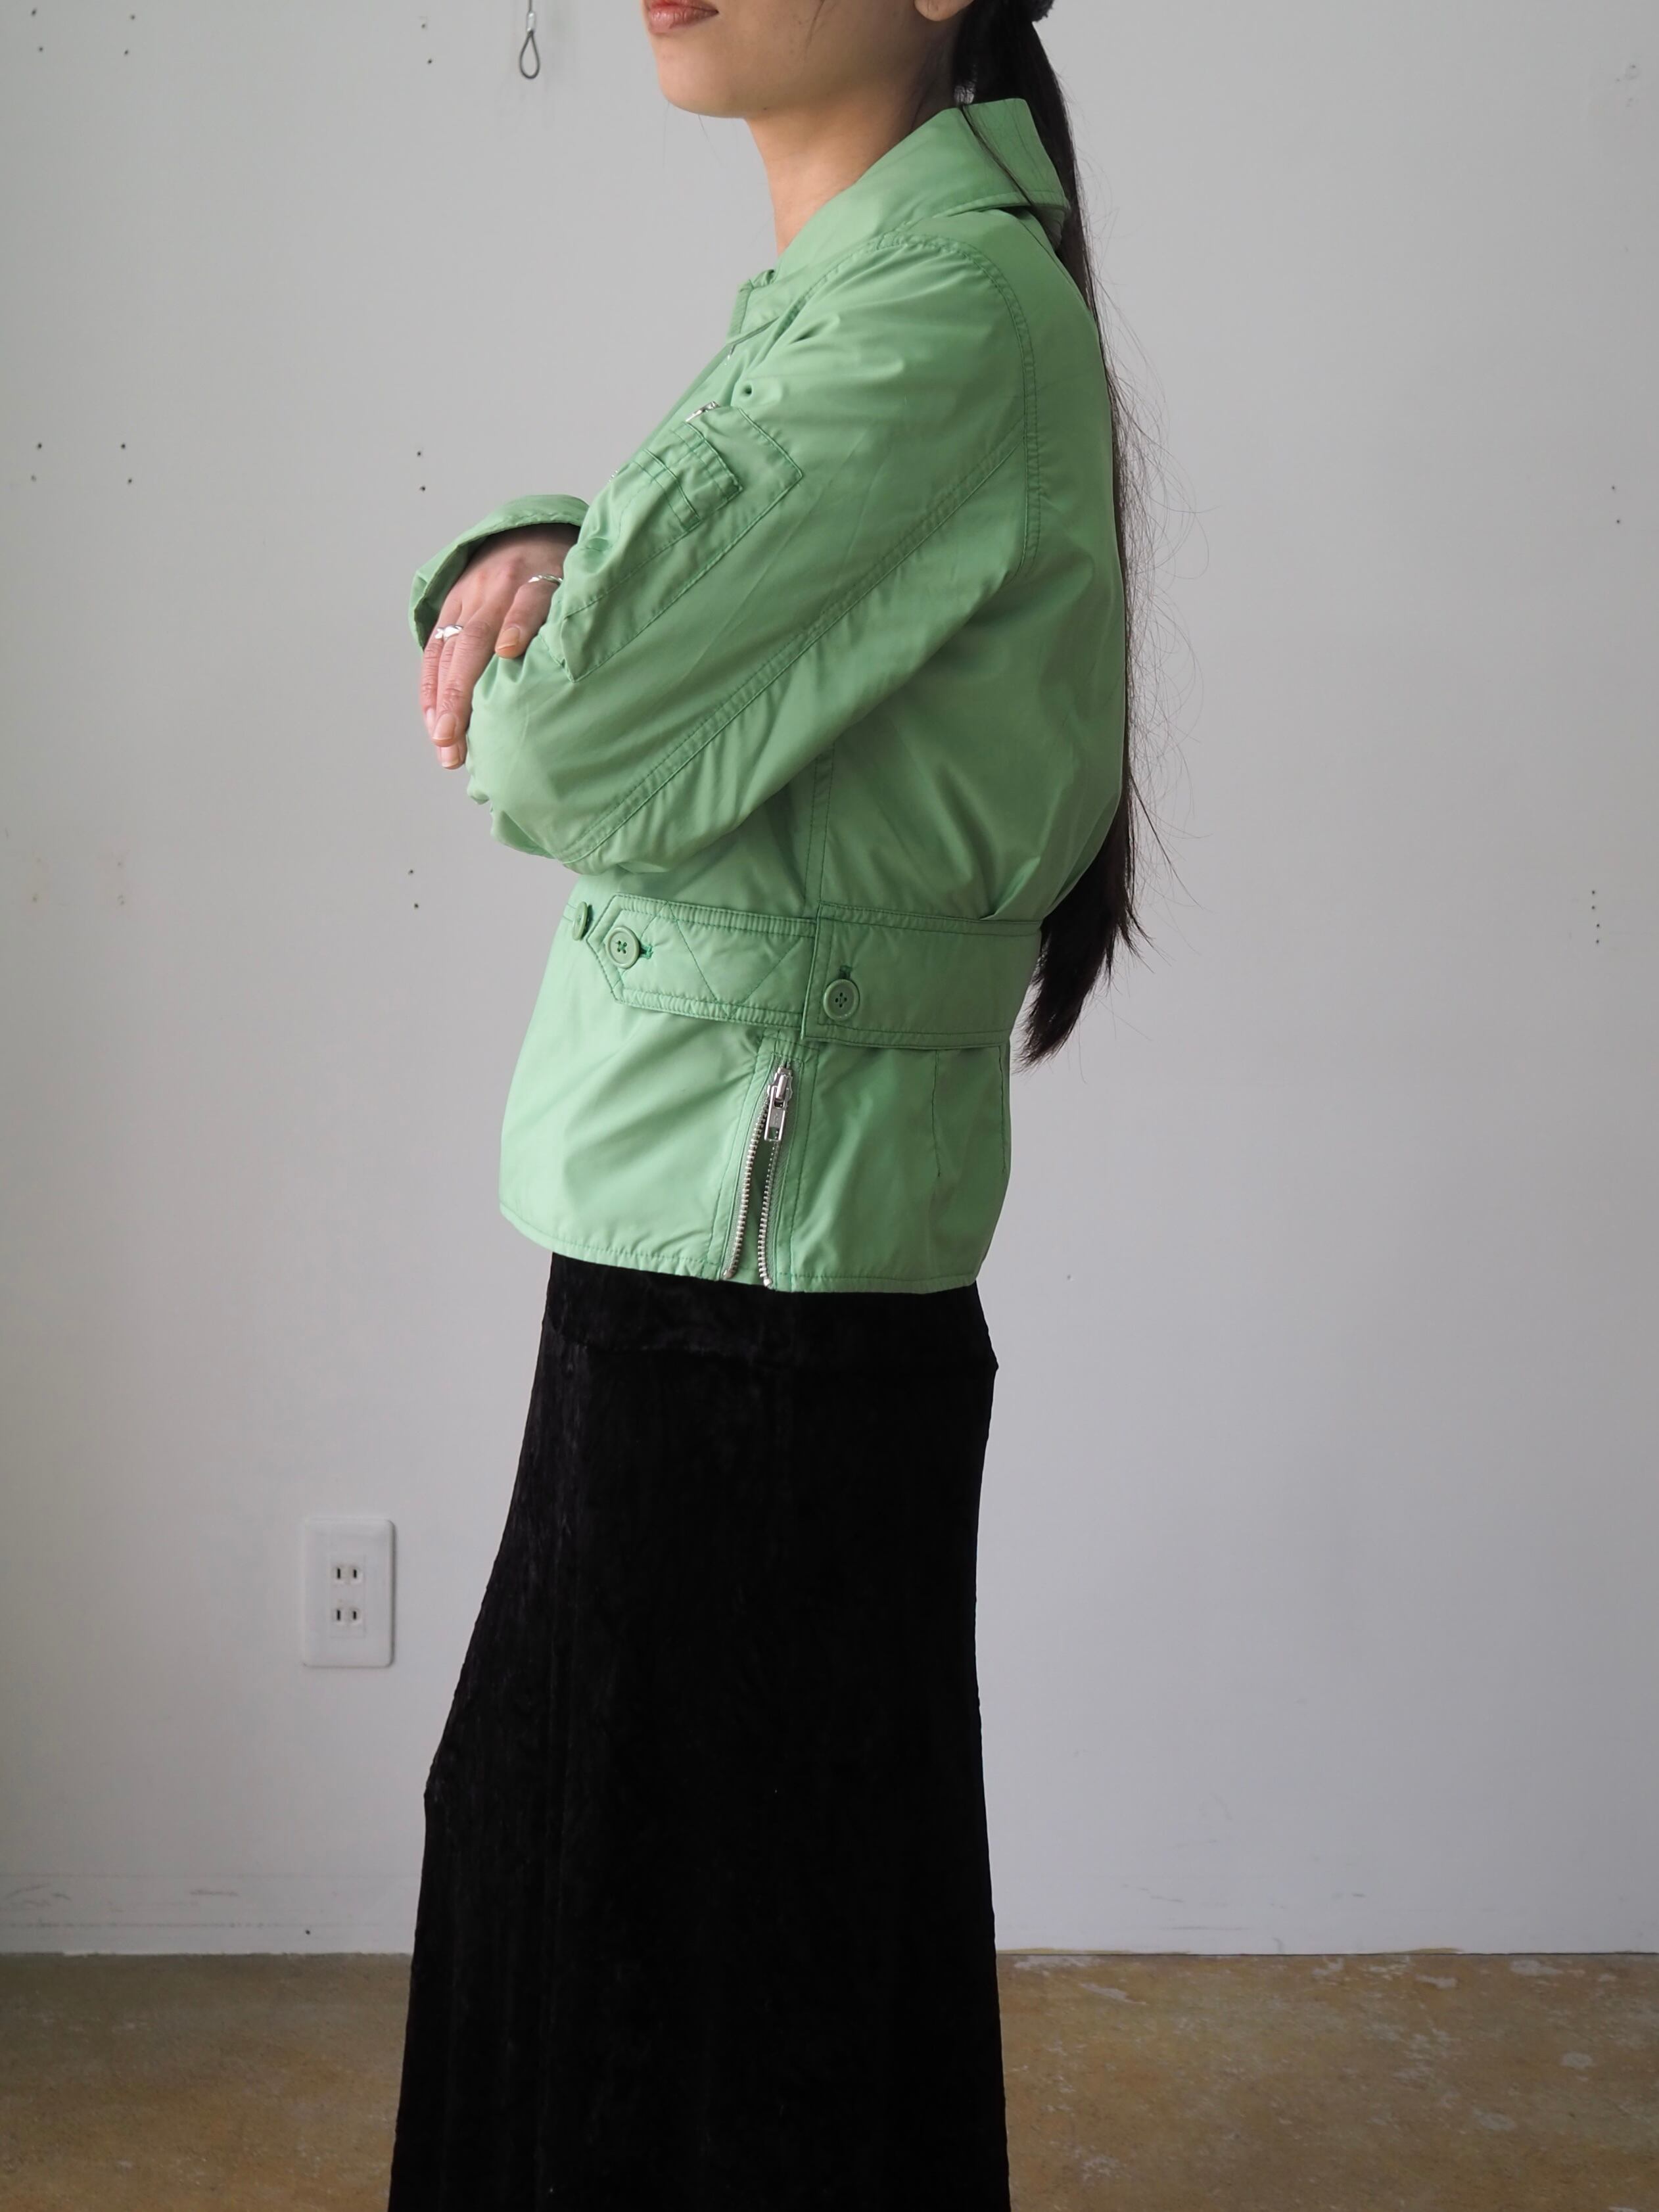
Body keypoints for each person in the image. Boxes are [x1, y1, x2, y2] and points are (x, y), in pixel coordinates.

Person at [385, 1, 1145, 2205]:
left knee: (672, 1957)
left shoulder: (925, 318)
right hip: (732, 1221)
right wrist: (535, 547)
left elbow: (561, 739)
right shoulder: (873, 290)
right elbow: (657, 641)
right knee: (697, 1916)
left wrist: (537, 580)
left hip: (754, 1244)